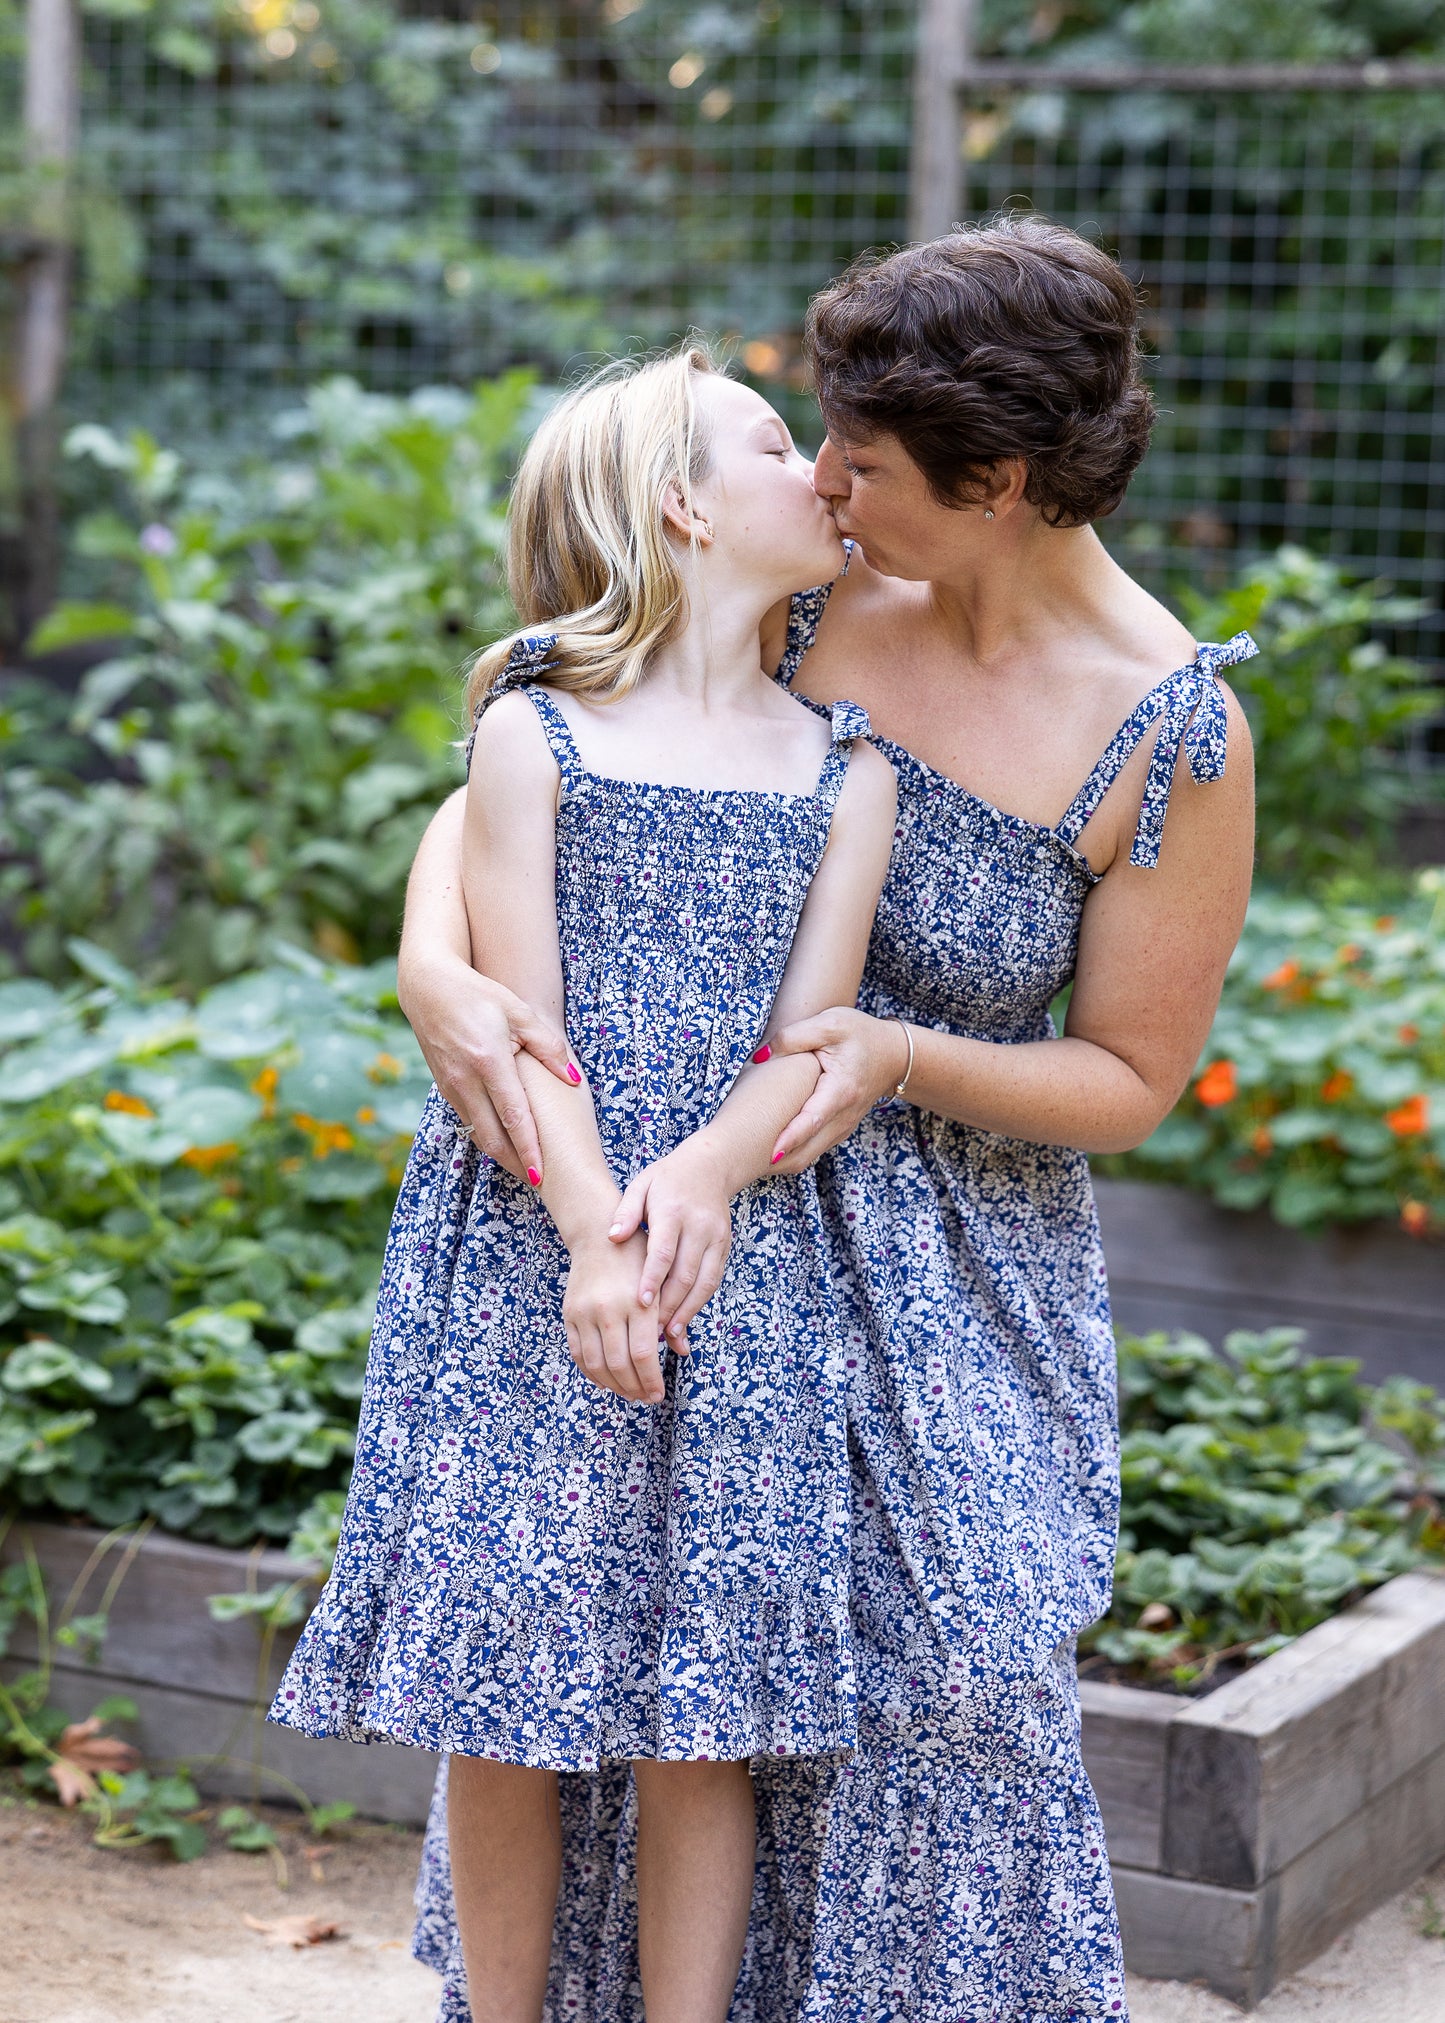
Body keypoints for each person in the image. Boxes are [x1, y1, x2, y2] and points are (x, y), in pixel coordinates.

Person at [402, 215, 1258, 2022]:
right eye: (814, 448)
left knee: (935, 1704)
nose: (830, 482)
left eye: (862, 460)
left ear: (1001, 479)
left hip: (943, 1258)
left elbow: (1125, 1081)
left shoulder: (1167, 738)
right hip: (691, 1205)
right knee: (618, 1649)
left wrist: (889, 1055)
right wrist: (429, 958)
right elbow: (550, 729)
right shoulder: (807, 583)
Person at [268, 343, 897, 2023]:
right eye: (778, 446)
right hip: (528, 1261)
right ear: (681, 506)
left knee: (711, 1708)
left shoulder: (850, 772)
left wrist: (686, 1198)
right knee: (506, 1691)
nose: (818, 474)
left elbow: (801, 1040)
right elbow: (515, 1024)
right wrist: (587, 1242)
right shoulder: (535, 737)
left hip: (736, 1265)